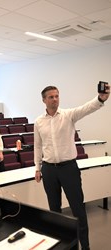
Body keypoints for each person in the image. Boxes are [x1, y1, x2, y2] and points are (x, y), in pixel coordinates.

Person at [34, 85, 110, 250]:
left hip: (68, 168)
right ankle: (62, 244)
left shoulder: (68, 115)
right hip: (49, 169)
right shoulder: (39, 122)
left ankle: (86, 246)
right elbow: (38, 146)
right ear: (44, 100)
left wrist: (100, 99)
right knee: (54, 210)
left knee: (78, 209)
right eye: (51, 97)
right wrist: (37, 168)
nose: (55, 99)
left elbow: (86, 108)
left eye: (57, 96)